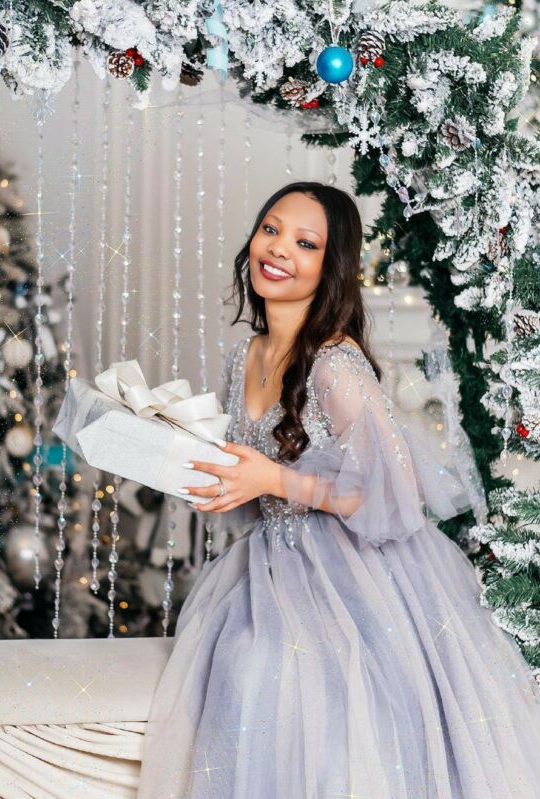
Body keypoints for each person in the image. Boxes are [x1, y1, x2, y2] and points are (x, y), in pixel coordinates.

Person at [136, 182, 540, 799]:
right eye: (271, 229)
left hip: (355, 570)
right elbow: (253, 474)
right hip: (272, 563)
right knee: (240, 665)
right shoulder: (245, 355)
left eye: (306, 243)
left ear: (331, 268)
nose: (279, 249)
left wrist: (273, 479)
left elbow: (396, 492)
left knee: (291, 678)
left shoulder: (334, 363)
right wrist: (206, 473)